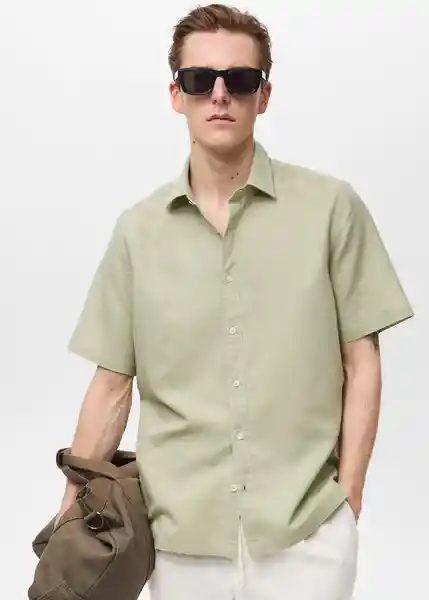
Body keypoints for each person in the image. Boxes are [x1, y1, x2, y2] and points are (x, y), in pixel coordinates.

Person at [57, 4, 415, 599]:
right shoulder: (138, 233)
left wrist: (348, 504)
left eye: (240, 79)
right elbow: (111, 386)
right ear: (177, 95)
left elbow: (363, 362)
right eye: (201, 79)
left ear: (263, 96)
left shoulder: (331, 209)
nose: (220, 94)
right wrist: (69, 515)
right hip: (180, 541)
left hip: (307, 533)